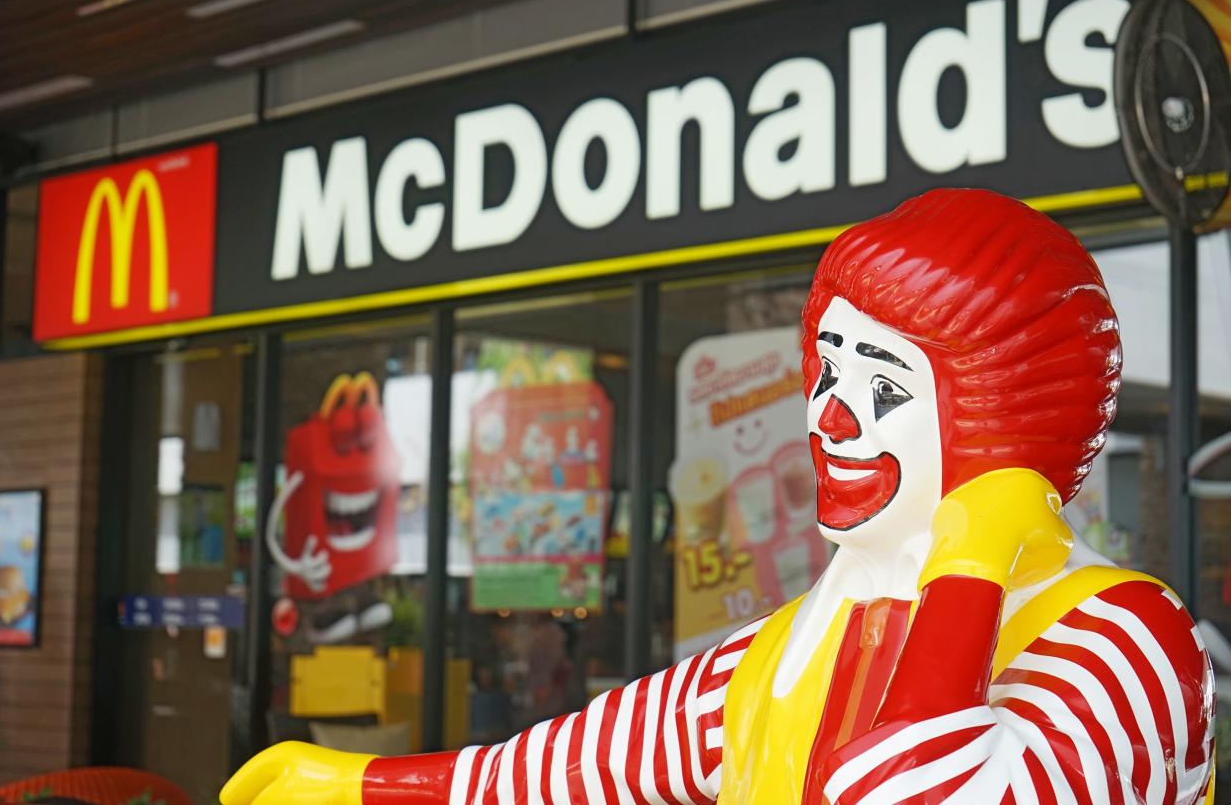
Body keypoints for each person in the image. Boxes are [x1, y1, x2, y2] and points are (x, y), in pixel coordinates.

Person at [220, 189, 1215, 804]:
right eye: (826, 371)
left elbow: (914, 789)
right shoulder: (787, 652)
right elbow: (569, 768)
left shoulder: (1123, 646)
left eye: (883, 387)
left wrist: (974, 547)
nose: (827, 418)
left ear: (1004, 420)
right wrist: (353, 784)